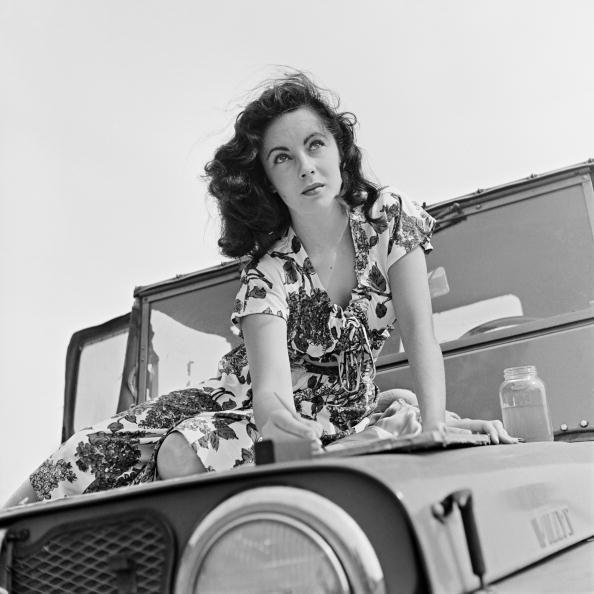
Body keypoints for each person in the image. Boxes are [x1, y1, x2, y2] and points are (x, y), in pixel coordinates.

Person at [5, 72, 515, 507]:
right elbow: (270, 394)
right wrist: (295, 433)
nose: (306, 166)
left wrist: (434, 427)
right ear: (269, 179)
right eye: (282, 158)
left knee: (184, 453)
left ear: (339, 149)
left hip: (348, 413)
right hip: (258, 411)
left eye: (315, 145)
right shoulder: (268, 274)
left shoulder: (389, 220)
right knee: (89, 449)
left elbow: (421, 334)